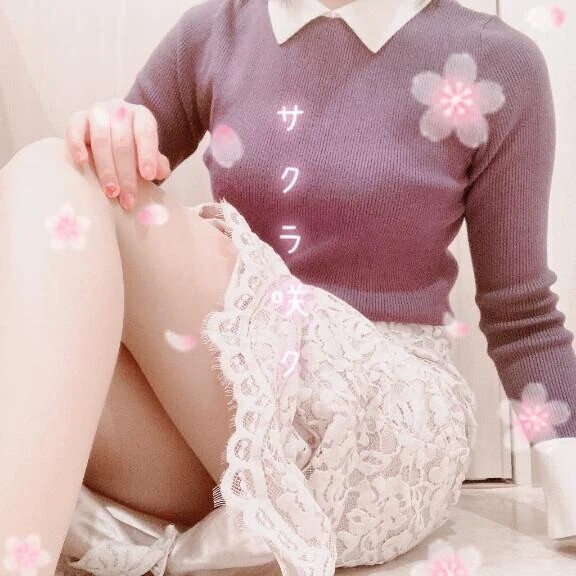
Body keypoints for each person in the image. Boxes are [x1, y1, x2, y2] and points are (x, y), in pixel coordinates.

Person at [1, 0, 575, 575]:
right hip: (231, 428)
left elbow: (521, 316)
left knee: (57, 173)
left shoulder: (495, 60)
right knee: (62, 177)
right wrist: (114, 132)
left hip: (381, 423)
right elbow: (102, 202)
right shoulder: (219, 31)